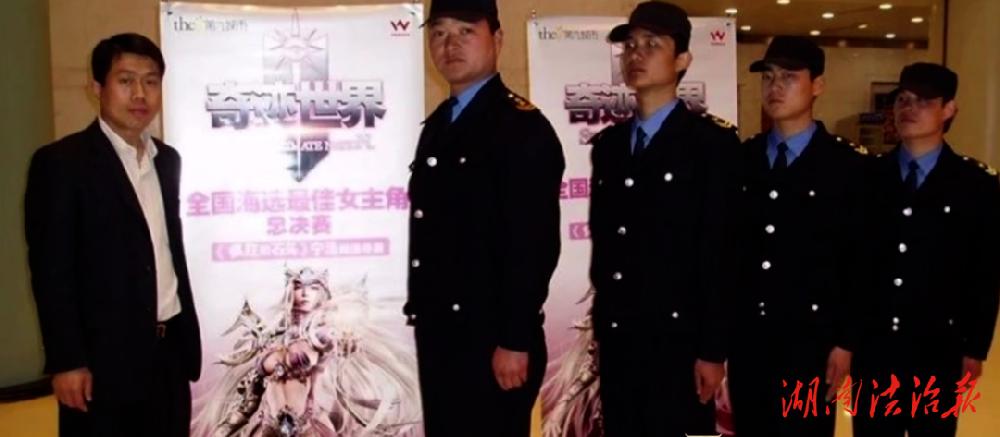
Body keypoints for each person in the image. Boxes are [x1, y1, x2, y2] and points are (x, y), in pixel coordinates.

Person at [23, 33, 202, 437]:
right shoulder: (62, 164)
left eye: (151, 81)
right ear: (97, 87)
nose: (140, 93)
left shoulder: (167, 160)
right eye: (125, 81)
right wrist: (67, 360)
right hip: (101, 364)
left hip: (168, 354)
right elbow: (52, 273)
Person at [404, 0, 566, 435]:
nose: (450, 44)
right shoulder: (441, 124)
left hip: (493, 341)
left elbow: (532, 244)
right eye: (439, 33)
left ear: (496, 39)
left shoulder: (521, 128)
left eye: (465, 31)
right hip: (444, 335)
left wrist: (514, 338)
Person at [587, 1, 743, 435]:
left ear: (682, 60)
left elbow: (721, 253)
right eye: (630, 46)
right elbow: (608, 242)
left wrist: (712, 350)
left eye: (652, 44)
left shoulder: (711, 145)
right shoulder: (611, 146)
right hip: (621, 338)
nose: (636, 54)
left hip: (680, 342)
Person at [725, 36, 871, 437]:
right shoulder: (742, 160)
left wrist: (846, 343)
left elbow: (860, 263)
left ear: (817, 85)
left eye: (789, 77)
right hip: (749, 339)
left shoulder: (848, 167)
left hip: (811, 343)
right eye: (768, 77)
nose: (775, 87)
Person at [850, 62, 1000, 437]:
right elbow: (853, 265)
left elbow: (985, 273)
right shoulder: (868, 177)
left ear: (949, 109)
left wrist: (975, 349)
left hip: (938, 350)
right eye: (902, 99)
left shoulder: (975, 185)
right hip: (875, 347)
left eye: (923, 101)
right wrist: (846, 340)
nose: (908, 108)